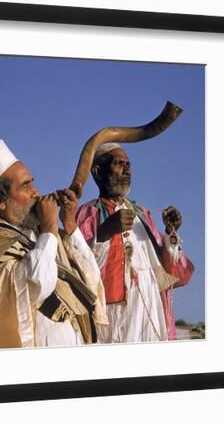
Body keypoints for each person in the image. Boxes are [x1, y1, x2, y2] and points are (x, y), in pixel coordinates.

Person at [0, 140, 107, 350]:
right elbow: (36, 285)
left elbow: (92, 278)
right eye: (25, 186)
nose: (36, 192)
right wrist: (49, 228)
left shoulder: (45, 237)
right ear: (0, 199)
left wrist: (70, 224)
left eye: (32, 183)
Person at [76, 143, 194, 343]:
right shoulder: (88, 214)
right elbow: (78, 267)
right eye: (118, 163)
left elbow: (168, 270)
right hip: (116, 311)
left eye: (128, 164)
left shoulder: (142, 214)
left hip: (151, 304)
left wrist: (169, 233)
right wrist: (105, 232)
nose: (126, 169)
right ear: (97, 172)